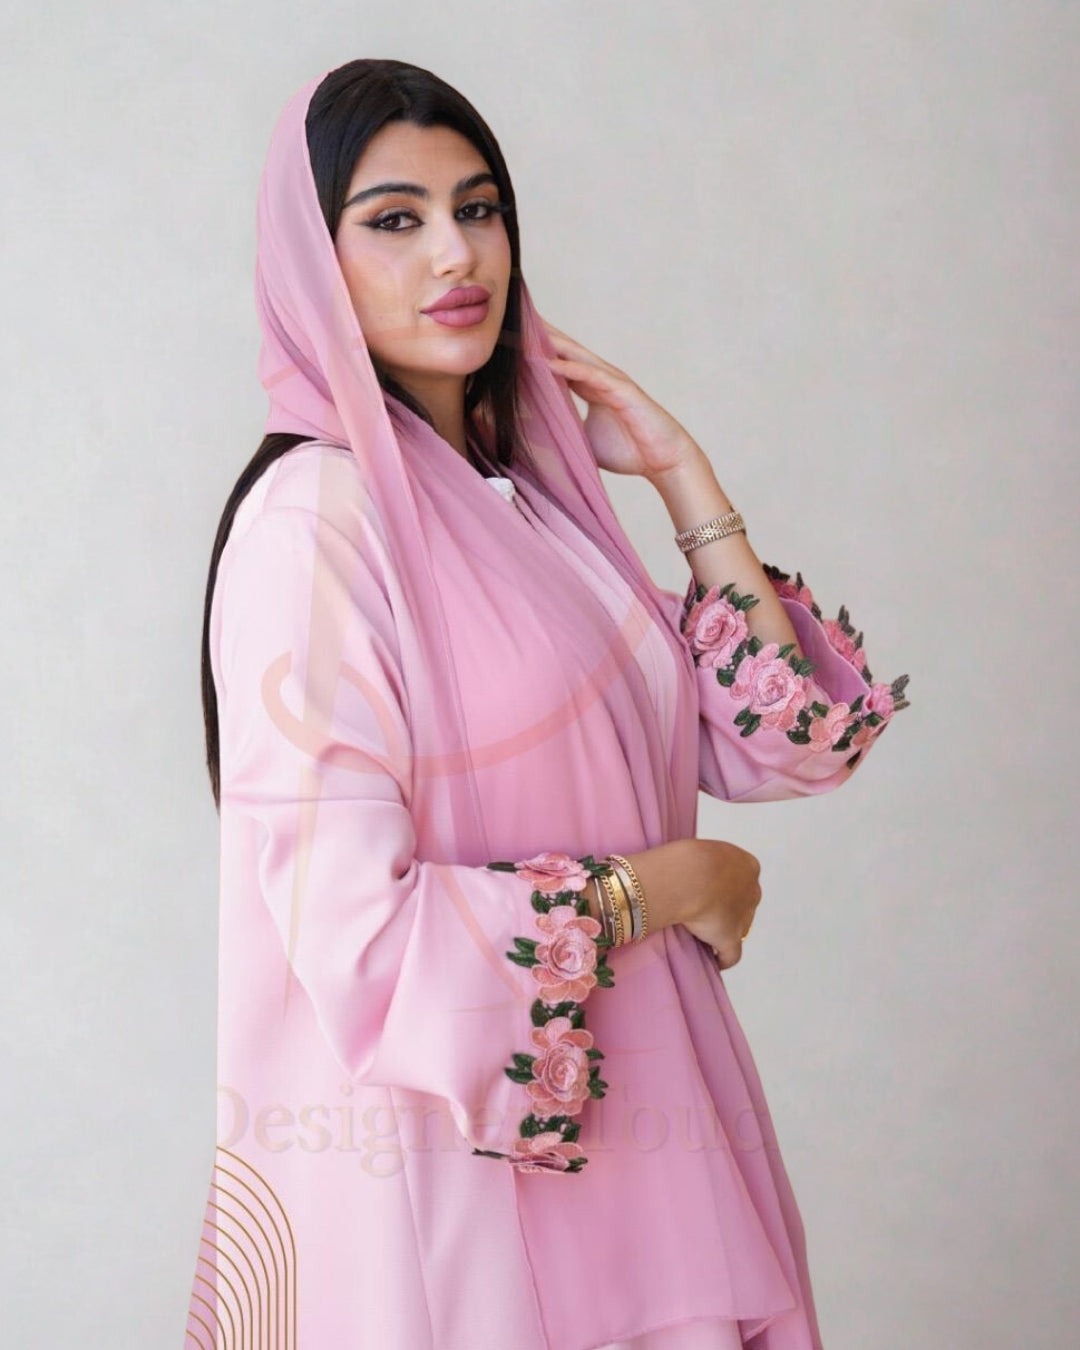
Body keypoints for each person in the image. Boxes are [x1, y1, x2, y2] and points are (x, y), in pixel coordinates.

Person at [184, 59, 910, 1350]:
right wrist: (662, 887)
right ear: (311, 264)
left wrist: (684, 479)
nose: (454, 253)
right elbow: (351, 928)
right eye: (394, 219)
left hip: (656, 1147)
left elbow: (793, 744)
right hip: (473, 1188)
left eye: (479, 208)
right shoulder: (318, 522)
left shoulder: (531, 509)